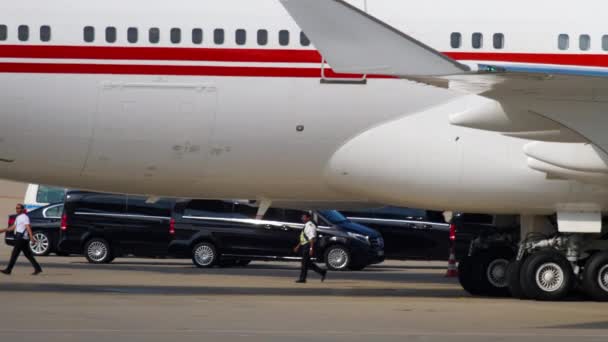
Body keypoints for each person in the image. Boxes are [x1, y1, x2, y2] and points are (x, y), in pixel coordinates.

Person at [0, 203, 43, 275]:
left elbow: (28, 227)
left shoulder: (25, 217)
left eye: (19, 208)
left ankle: (8, 270)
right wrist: (3, 230)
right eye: (16, 208)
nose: (17, 209)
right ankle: (38, 268)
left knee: (14, 254)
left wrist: (32, 237)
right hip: (20, 238)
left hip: (21, 239)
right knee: (28, 255)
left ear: (22, 209)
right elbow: (13, 227)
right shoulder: (18, 217)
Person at [293, 212, 327, 283]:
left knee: (304, 263)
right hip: (305, 245)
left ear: (308, 218)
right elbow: (304, 237)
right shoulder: (306, 225)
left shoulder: (310, 226)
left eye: (304, 217)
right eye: (302, 217)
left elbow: (311, 238)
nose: (302, 218)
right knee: (307, 263)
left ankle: (302, 279)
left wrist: (311, 249)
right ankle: (322, 272)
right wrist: (298, 246)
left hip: (308, 245)